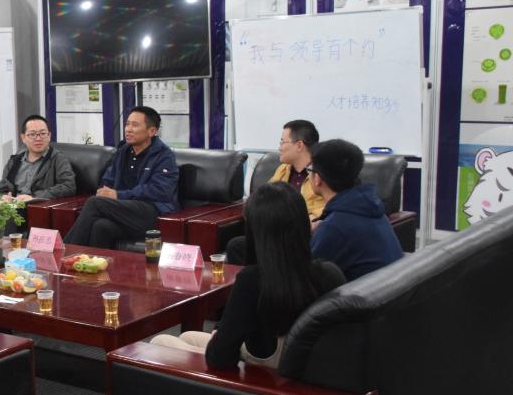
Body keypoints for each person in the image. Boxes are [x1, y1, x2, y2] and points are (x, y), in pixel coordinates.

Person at [151, 183, 346, 370]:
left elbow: (220, 359)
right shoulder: (330, 272)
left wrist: (221, 337)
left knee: (161, 341)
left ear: (256, 232)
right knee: (188, 337)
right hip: (303, 366)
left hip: (266, 373)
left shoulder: (253, 280)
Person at [64, 106, 179, 249]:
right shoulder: (123, 151)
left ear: (152, 131)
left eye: (135, 125)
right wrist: (104, 191)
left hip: (151, 213)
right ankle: (96, 262)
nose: (128, 129)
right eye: (127, 124)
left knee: (94, 203)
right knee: (101, 227)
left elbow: (160, 190)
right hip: (123, 210)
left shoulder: (164, 156)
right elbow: (108, 179)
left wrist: (118, 195)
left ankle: (66, 252)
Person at [226, 119, 324, 264]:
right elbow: (264, 199)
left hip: (301, 239)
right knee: (237, 245)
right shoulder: (283, 170)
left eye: (282, 142)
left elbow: (321, 213)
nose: (279, 148)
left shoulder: (319, 175)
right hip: (275, 234)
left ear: (299, 145)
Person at [309, 139, 404, 281]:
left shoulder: (335, 227)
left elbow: (302, 278)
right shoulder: (369, 208)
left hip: (363, 294)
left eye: (309, 169)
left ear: (317, 178)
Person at [0, 115, 76, 203]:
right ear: (23, 138)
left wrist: (34, 197)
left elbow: (68, 186)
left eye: (43, 134)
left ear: (49, 135)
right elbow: (2, 190)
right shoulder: (14, 161)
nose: (38, 138)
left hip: (38, 206)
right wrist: (3, 197)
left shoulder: (58, 159)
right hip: (12, 206)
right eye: (32, 134)